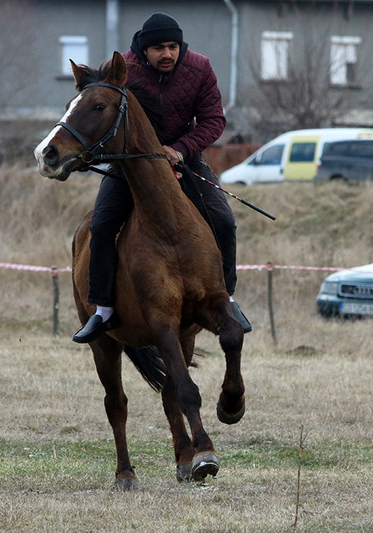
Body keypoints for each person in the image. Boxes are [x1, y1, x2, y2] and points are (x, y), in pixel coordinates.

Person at [73, 12, 251, 343]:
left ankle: (225, 300)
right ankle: (103, 311)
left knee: (224, 220)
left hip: (186, 161)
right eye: (158, 48)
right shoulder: (120, 70)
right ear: (143, 50)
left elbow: (214, 120)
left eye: (172, 47)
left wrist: (181, 148)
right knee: (101, 225)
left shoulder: (200, 68)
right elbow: (93, 108)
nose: (167, 54)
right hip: (129, 166)